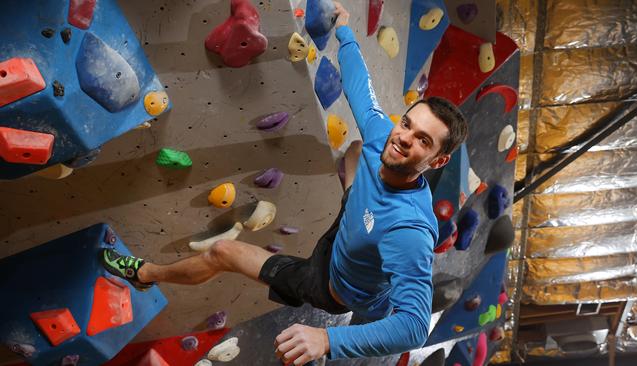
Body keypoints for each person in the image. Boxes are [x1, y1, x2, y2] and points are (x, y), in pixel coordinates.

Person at [100, 2, 467, 365]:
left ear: (439, 160)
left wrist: (328, 338)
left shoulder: (409, 232)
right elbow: (360, 89)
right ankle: (357, 204)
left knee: (222, 253)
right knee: (356, 150)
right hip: (354, 225)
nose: (404, 138)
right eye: (407, 125)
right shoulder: (383, 137)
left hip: (328, 282)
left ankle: (146, 274)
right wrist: (345, 31)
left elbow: (415, 326)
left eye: (423, 141)